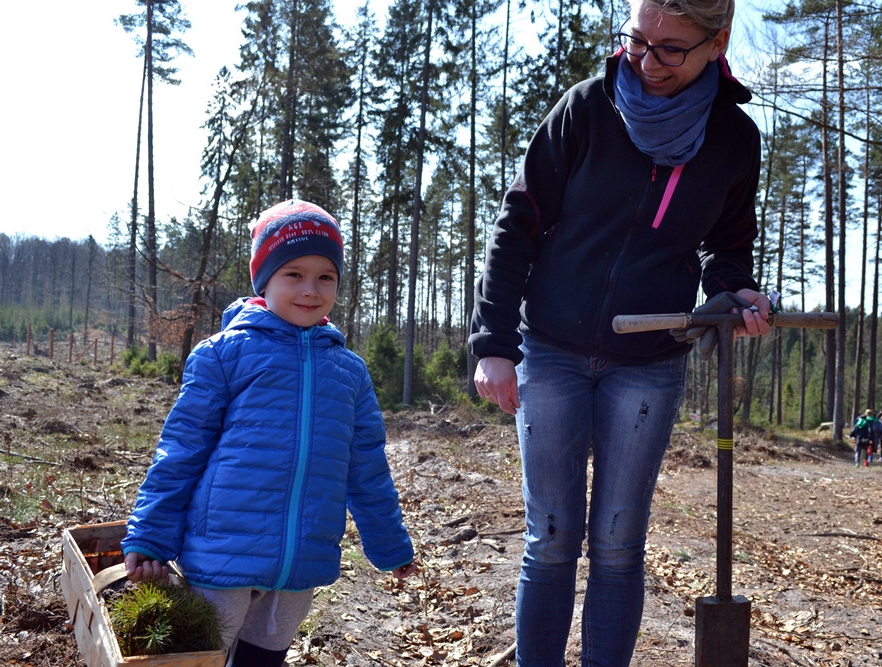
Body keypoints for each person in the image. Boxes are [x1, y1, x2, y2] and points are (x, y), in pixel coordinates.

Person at [468, 0, 770, 662]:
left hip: (649, 360)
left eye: (671, 49)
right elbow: (517, 223)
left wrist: (735, 291)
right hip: (550, 348)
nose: (647, 60)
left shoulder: (734, 140)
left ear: (716, 45)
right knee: (550, 537)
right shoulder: (586, 109)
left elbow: (728, 251)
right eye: (637, 40)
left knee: (616, 539)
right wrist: (493, 343)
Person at [120, 200, 417, 667]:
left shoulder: (350, 373)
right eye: (293, 274)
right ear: (265, 279)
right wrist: (150, 536)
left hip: (303, 558)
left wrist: (390, 544)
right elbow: (180, 452)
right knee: (207, 654)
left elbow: (368, 469)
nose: (310, 289)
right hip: (223, 554)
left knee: (264, 657)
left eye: (325, 277)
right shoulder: (222, 356)